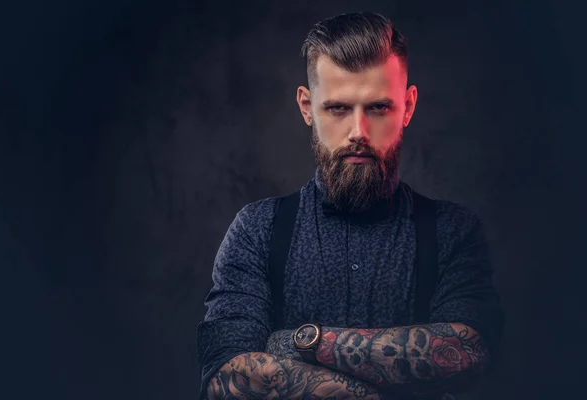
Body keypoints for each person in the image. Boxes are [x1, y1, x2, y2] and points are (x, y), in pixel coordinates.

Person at [197, 11, 504, 400]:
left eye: (378, 107)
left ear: (407, 107)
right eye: (338, 108)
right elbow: (226, 377)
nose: (358, 132)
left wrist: (302, 342)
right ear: (307, 107)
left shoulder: (453, 230)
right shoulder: (257, 229)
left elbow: (469, 350)